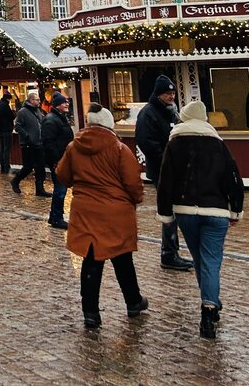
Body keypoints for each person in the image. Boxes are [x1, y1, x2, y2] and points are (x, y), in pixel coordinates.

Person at [156, 99, 244, 339]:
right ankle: (209, 308)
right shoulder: (217, 144)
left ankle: (210, 301)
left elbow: (166, 180)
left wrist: (166, 212)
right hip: (215, 211)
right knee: (211, 260)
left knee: (199, 258)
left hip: (186, 211)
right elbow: (233, 178)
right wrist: (236, 208)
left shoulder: (175, 143)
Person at [56, 102, 148, 329]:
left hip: (86, 210)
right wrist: (136, 199)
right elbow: (132, 181)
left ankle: (91, 312)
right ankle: (133, 302)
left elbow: (62, 175)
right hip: (115, 212)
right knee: (123, 258)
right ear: (108, 124)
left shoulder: (73, 146)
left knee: (91, 261)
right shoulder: (118, 148)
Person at [136, 75, 194, 271]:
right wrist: (166, 160)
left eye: (173, 93)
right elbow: (147, 142)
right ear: (159, 94)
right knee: (169, 211)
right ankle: (168, 253)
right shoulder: (149, 114)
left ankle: (172, 251)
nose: (172, 96)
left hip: (174, 168)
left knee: (175, 210)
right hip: (162, 169)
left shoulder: (170, 112)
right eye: (168, 93)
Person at [41, 92, 74, 229]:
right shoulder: (51, 120)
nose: (67, 104)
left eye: (67, 102)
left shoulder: (60, 118)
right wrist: (56, 161)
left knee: (61, 188)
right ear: (57, 105)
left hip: (63, 158)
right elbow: (48, 143)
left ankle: (54, 216)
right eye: (63, 102)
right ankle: (56, 217)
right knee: (60, 189)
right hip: (58, 159)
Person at [11, 90, 51, 197]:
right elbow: (17, 126)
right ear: (31, 100)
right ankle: (16, 180)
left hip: (39, 143)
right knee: (28, 167)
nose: (39, 101)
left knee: (40, 167)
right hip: (28, 144)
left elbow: (42, 122)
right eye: (37, 100)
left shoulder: (38, 111)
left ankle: (40, 189)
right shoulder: (23, 112)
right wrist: (27, 136)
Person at [0, 88, 15, 175]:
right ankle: (6, 167)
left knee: (2, 148)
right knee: (6, 149)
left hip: (0, 130)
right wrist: (14, 112)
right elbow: (11, 116)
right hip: (7, 130)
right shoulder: (5, 105)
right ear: (8, 98)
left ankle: (2, 168)